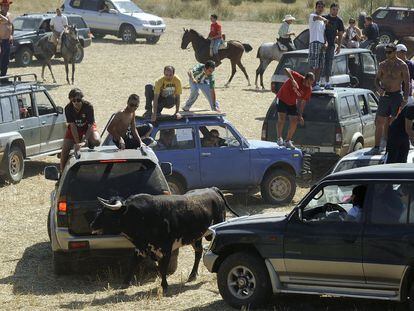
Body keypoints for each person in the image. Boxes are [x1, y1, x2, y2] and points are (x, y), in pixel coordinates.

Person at [365, 43, 410, 156]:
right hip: (385, 96)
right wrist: (379, 88)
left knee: (394, 122)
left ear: (395, 52)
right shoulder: (382, 65)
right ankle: (376, 147)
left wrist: (405, 98)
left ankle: (392, 146)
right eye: (386, 52)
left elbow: (407, 83)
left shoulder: (402, 65)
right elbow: (376, 80)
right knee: (379, 121)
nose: (387, 54)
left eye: (389, 52)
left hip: (396, 95)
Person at [60, 88, 101, 171]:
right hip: (74, 129)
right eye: (73, 100)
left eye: (78, 100)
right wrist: (78, 143)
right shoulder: (68, 108)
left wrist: (84, 140)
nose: (76, 103)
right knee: (64, 152)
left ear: (82, 99)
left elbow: (90, 125)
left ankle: (89, 145)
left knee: (97, 141)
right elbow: (73, 126)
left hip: (87, 127)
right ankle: (61, 174)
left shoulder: (88, 107)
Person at [276, 68, 315, 148]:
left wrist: (300, 115)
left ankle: (288, 140)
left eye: (311, 84)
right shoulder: (298, 77)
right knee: (281, 119)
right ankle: (279, 138)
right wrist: (292, 80)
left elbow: (302, 102)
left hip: (292, 103)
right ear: (305, 78)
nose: (309, 85)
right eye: (308, 82)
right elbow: (286, 69)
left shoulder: (308, 90)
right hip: (282, 98)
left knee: (294, 121)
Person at [323, 3, 344, 89]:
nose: (335, 11)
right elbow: (320, 30)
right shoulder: (324, 18)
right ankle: (316, 82)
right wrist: (324, 41)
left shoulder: (339, 20)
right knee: (319, 64)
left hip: (331, 45)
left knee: (329, 64)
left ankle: (327, 83)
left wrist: (339, 46)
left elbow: (340, 34)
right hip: (321, 44)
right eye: (333, 9)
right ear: (330, 9)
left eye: (336, 10)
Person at [308, 0, 327, 89]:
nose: (320, 8)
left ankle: (316, 83)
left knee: (320, 65)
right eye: (319, 7)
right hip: (314, 42)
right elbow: (317, 18)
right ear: (316, 8)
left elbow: (323, 33)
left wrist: (324, 42)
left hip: (321, 43)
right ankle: (310, 83)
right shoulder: (313, 16)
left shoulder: (322, 21)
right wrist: (323, 18)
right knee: (313, 65)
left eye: (322, 7)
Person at [0, 0, 13, 80]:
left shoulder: (9, 15)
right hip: (0, 41)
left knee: (6, 60)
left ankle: (3, 77)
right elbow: (6, 21)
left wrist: (11, 35)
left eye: (8, 5)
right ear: (1, 6)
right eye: (5, 6)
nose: (7, 7)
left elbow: (11, 25)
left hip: (7, 41)